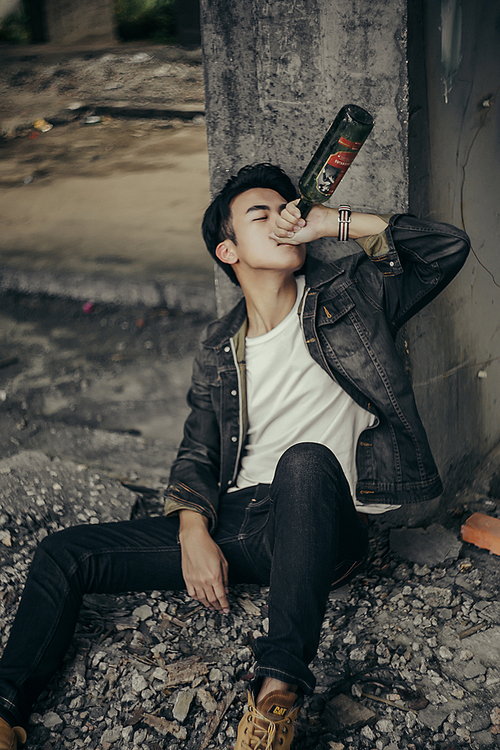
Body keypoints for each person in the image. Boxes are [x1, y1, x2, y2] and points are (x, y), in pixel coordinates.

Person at [0, 164, 470, 750]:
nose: (283, 220)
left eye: (288, 209)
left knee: (304, 459)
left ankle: (275, 693)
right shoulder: (219, 346)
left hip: (320, 520)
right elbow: (197, 451)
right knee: (63, 554)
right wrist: (193, 533)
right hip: (240, 525)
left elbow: (446, 248)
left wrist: (333, 222)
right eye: (260, 214)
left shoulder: (350, 297)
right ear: (229, 250)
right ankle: (7, 709)